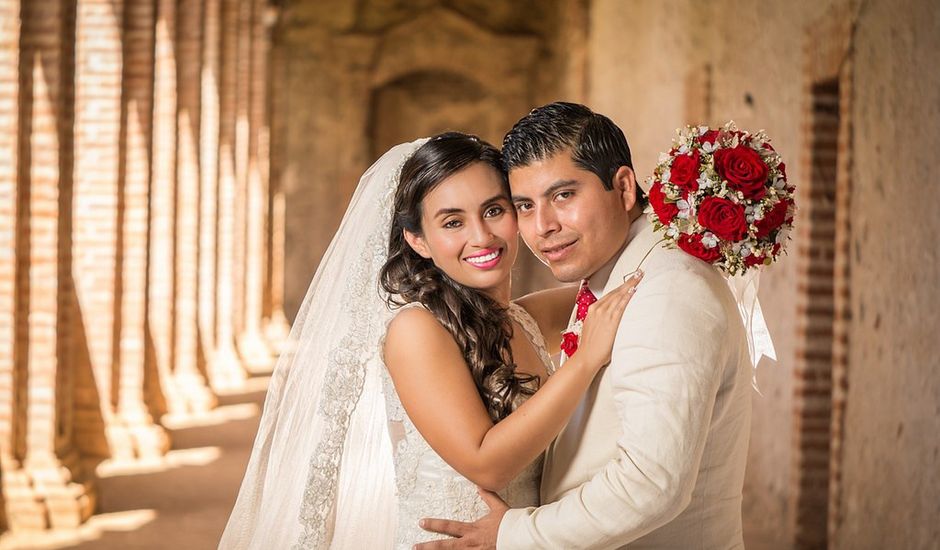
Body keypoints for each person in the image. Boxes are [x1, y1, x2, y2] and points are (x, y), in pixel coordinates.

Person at [218, 132, 641, 549]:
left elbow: (629, 276)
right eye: (453, 222)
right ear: (418, 240)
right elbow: (486, 465)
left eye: (494, 210)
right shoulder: (416, 330)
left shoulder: (523, 318)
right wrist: (585, 361)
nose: (481, 236)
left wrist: (684, 212)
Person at [417, 103, 753, 549]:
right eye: (524, 206)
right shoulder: (615, 276)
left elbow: (653, 484)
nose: (543, 227)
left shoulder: (668, 292)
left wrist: (516, 533)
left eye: (563, 195)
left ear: (623, 187)